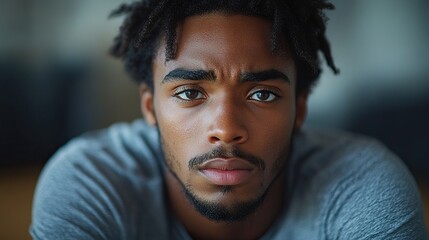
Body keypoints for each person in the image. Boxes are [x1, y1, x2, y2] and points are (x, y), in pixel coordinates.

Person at [30, 0, 428, 239]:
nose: (226, 129)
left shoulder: (364, 187)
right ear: (149, 108)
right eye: (190, 93)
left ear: (299, 110)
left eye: (262, 94)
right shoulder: (89, 183)